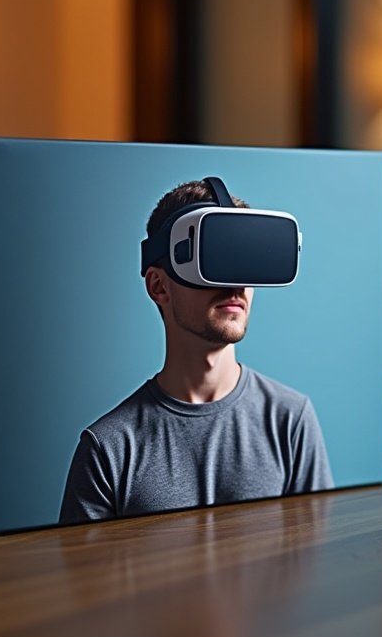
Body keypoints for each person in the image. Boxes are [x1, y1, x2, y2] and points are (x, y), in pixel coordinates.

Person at [59, 179, 333, 523]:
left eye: (247, 262)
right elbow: (85, 578)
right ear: (159, 286)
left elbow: (317, 560)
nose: (236, 286)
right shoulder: (109, 449)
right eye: (216, 259)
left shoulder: (291, 420)